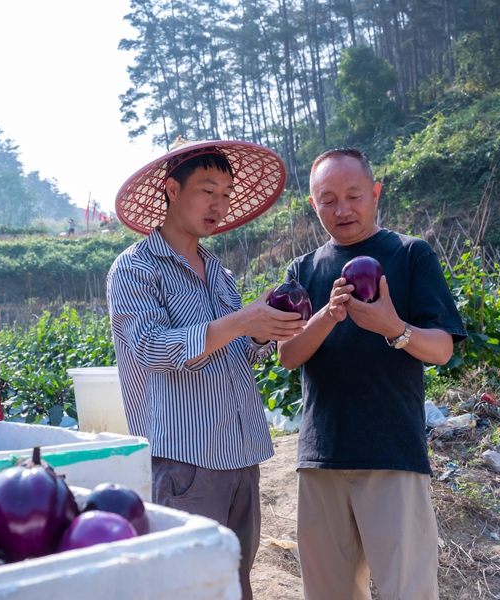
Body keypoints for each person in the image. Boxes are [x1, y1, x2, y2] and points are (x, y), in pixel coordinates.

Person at [107, 139, 305, 600]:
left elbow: (237, 353)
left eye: (227, 194)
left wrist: (263, 332)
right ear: (172, 190)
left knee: (235, 582)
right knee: (189, 586)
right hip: (185, 461)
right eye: (207, 190)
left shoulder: (219, 271)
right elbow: (151, 349)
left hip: (242, 455)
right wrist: (241, 321)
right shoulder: (136, 268)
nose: (219, 204)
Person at [278, 148, 466, 600]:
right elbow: (288, 355)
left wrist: (393, 327)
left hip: (392, 454)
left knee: (409, 591)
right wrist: (325, 316)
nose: (342, 209)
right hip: (321, 456)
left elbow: (441, 349)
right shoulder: (303, 270)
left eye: (354, 195)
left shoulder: (409, 254)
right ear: (313, 204)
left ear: (375, 193)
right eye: (327, 199)